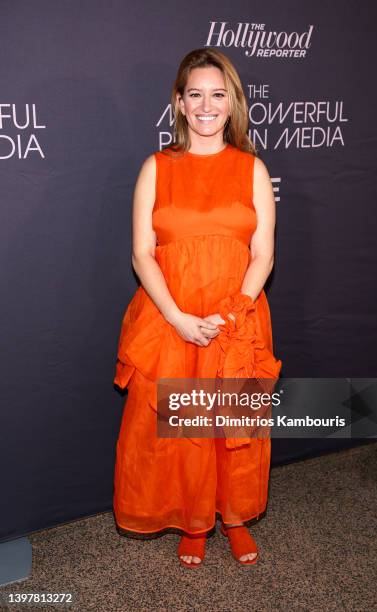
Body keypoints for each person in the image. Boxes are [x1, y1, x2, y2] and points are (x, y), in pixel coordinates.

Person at [113, 47, 282, 568]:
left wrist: (234, 312)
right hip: (171, 317)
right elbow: (142, 253)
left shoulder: (252, 168)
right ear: (180, 105)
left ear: (231, 104)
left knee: (233, 428)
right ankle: (194, 520)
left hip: (236, 320)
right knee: (183, 428)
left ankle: (231, 516)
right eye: (195, 95)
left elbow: (264, 253)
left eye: (217, 95)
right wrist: (179, 319)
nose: (206, 105)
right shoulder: (156, 168)